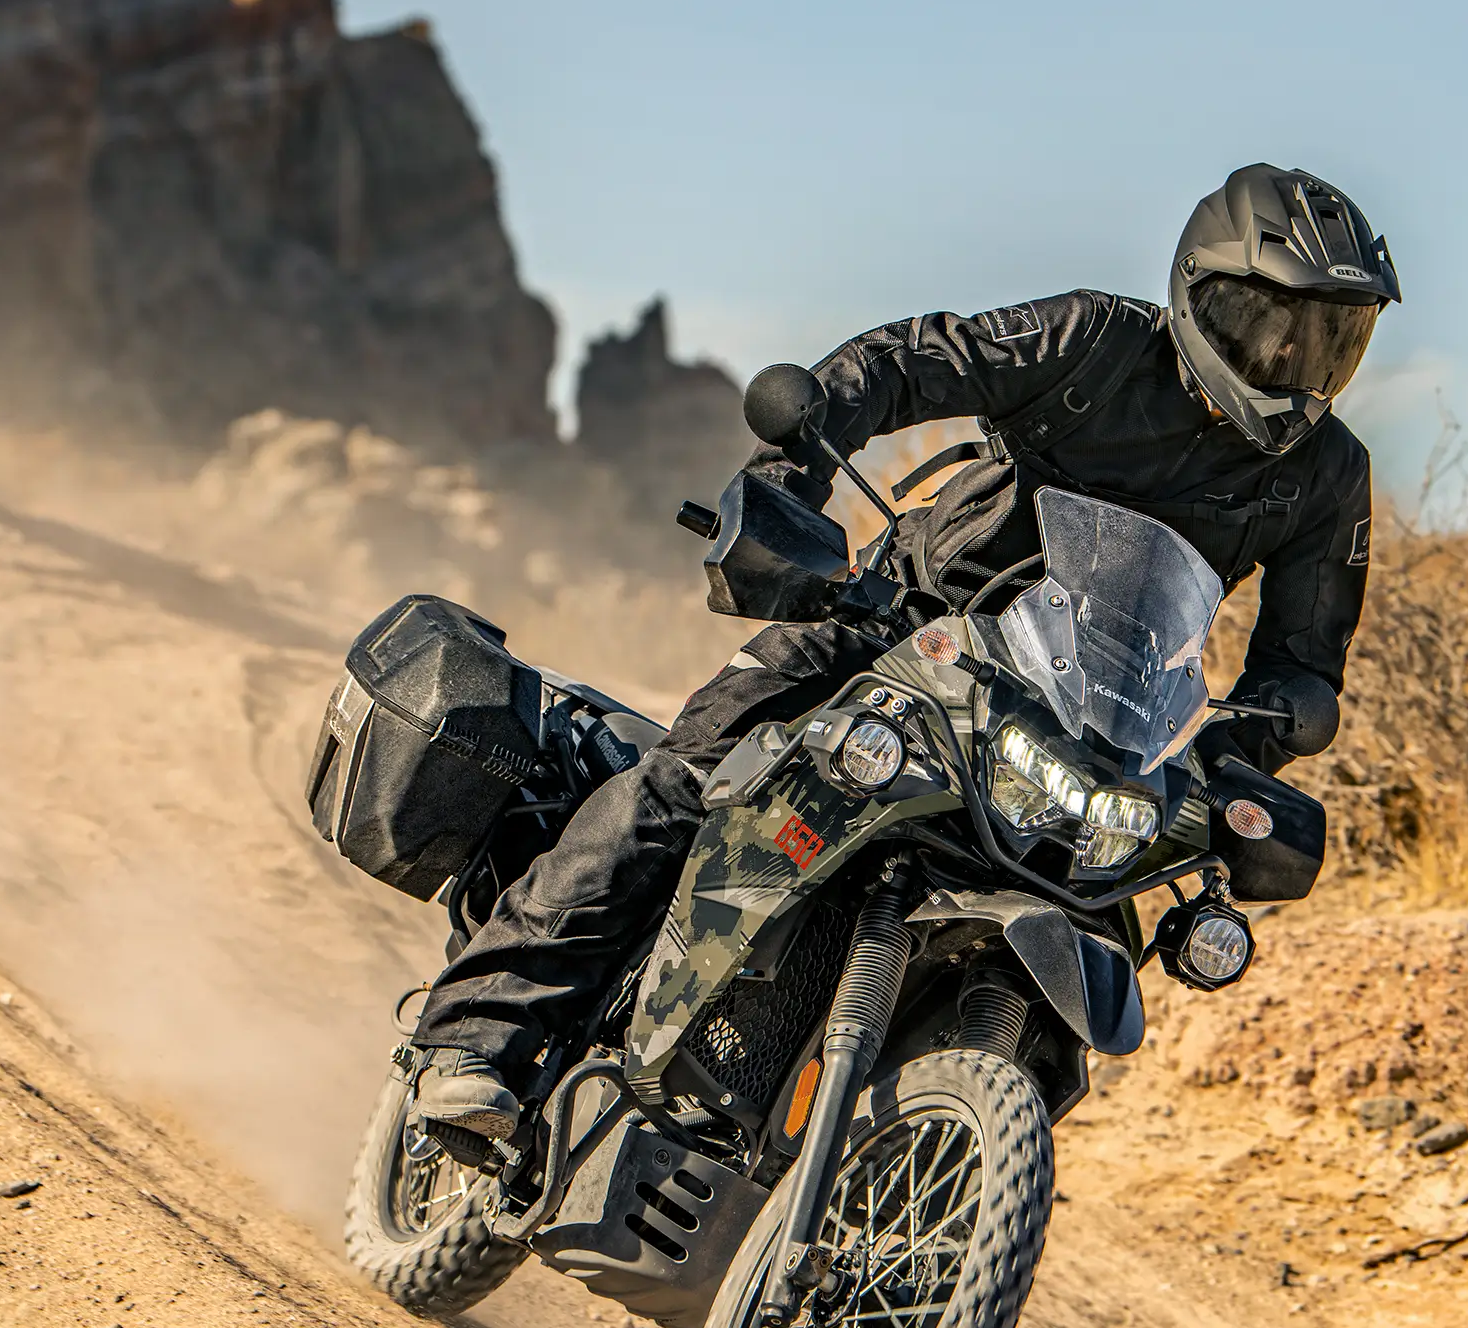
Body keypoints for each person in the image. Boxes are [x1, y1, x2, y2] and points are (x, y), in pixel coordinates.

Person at [411, 163, 1399, 1139]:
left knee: (1104, 910)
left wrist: (1237, 768)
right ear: (1198, 291)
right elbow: (896, 365)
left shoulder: (1325, 474)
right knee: (691, 780)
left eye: (1328, 339)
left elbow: (1299, 666)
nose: (1289, 358)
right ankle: (476, 1036)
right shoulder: (1094, 340)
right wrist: (788, 495)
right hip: (898, 617)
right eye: (1269, 321)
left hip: (1085, 719)